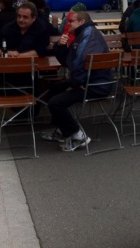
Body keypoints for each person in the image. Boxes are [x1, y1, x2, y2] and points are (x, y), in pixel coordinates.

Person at [41, 11, 113, 151]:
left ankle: (77, 135)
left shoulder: (87, 36)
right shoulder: (84, 34)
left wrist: (75, 84)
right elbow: (69, 62)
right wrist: (60, 47)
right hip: (91, 81)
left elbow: (81, 64)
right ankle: (62, 129)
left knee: (55, 103)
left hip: (94, 85)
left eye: (71, 21)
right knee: (55, 89)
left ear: (82, 22)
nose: (67, 24)